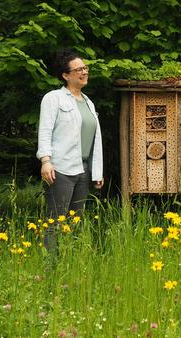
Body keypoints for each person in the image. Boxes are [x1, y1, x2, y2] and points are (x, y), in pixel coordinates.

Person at [37, 49, 103, 253]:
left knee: (75, 222)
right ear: (65, 75)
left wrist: (97, 171)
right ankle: (51, 268)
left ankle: (69, 263)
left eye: (85, 68)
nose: (84, 72)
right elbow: (45, 131)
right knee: (56, 221)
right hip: (60, 169)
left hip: (82, 170)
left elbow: (94, 139)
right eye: (79, 69)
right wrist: (45, 161)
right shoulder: (53, 98)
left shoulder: (89, 102)